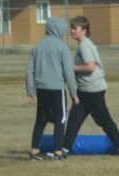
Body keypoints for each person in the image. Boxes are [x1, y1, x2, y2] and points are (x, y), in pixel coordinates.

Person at [63, 16, 119, 157]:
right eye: (71, 28)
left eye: (75, 28)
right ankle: (64, 149)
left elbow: (90, 67)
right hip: (83, 91)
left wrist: (72, 68)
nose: (72, 31)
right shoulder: (84, 44)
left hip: (93, 91)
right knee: (74, 120)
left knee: (103, 120)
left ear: (84, 30)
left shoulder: (84, 45)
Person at [26, 16, 79, 161]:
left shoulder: (38, 46)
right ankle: (58, 152)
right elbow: (68, 72)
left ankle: (34, 151)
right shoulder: (62, 47)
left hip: (41, 89)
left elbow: (29, 70)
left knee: (40, 119)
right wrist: (74, 93)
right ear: (59, 29)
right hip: (57, 88)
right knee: (60, 119)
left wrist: (30, 91)